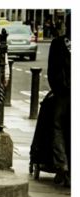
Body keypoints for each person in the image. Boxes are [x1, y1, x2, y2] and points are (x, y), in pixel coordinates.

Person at [47, 12, 71, 186]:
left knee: (58, 126)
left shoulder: (58, 43)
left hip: (63, 94)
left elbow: (52, 71)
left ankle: (62, 164)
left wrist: (58, 89)